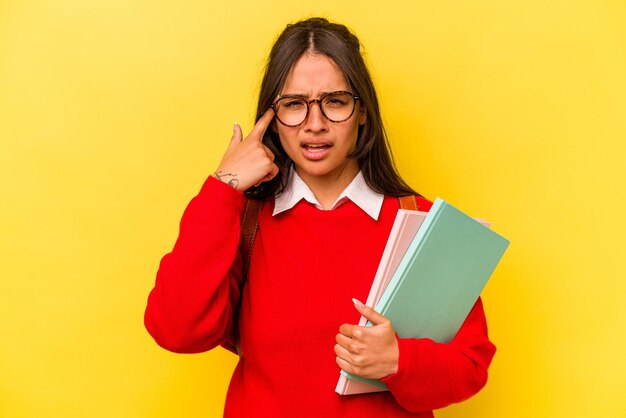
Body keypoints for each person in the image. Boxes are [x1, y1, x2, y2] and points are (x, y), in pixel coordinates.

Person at [144, 17, 495, 417]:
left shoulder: (421, 221)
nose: (315, 124)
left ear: (362, 111)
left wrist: (399, 361)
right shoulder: (244, 220)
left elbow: (470, 366)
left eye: (335, 101)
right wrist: (223, 186)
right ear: (272, 118)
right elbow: (176, 330)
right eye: (294, 105)